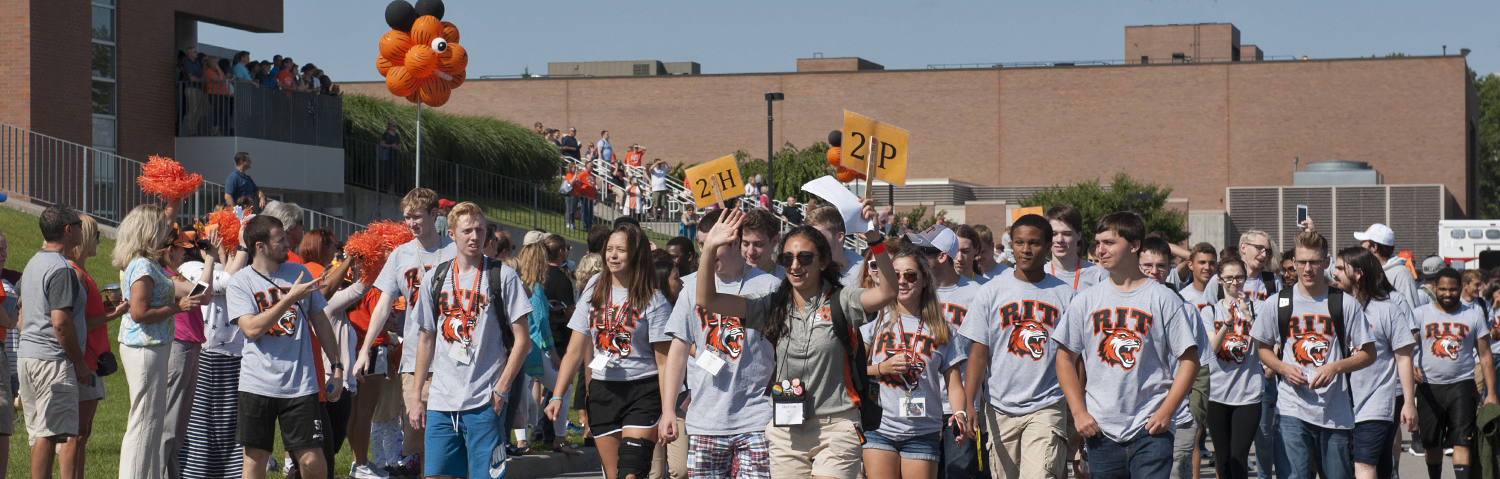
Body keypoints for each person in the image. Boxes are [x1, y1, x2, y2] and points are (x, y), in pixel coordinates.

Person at [691, 202, 897, 479]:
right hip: (787, 428)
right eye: (787, 259)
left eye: (805, 258)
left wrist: (874, 239)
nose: (795, 265)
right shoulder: (772, 304)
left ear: (823, 261)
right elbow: (707, 300)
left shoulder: (842, 300)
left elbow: (887, 291)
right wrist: (710, 248)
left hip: (836, 426)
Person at [1053, 212, 1202, 479]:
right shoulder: (1086, 300)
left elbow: (1190, 361)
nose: (1100, 250)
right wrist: (1078, 412)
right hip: (1101, 429)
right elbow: (1064, 358)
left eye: (1109, 242)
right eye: (1097, 243)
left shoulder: (1163, 298)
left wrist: (1167, 411)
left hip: (1151, 429)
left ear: (1134, 246)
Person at [406, 202, 533, 478]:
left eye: (480, 229)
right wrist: (417, 397)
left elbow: (523, 340)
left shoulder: (502, 276)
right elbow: (426, 339)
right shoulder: (435, 279)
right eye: (467, 231)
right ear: (451, 234)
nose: (475, 236)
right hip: (441, 402)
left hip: (485, 401)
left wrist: (501, 388)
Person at [658, 208, 784, 479]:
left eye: (715, 244)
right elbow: (678, 351)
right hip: (706, 419)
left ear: (735, 242)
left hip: (757, 417)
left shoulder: (771, 286)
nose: (706, 252)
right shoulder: (691, 287)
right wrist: (668, 409)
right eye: (703, 245)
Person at [545, 222, 673, 479]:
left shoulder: (654, 299)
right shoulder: (594, 287)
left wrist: (668, 409)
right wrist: (557, 395)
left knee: (632, 473)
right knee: (614, 475)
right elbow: (575, 349)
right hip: (603, 392)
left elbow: (665, 363)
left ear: (635, 254)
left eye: (621, 250)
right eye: (609, 249)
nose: (612, 255)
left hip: (643, 392)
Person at [226, 215, 348, 479]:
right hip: (256, 383)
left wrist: (337, 367)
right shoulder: (240, 282)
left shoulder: (299, 273)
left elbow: (322, 322)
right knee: (255, 460)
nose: (287, 246)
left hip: (300, 384)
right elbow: (252, 329)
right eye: (280, 240)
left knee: (312, 459)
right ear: (260, 246)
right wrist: (289, 298)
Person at [1250, 231, 1376, 479]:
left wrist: (1335, 368)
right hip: (1291, 409)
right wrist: (1282, 367)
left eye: (1314, 262)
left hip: (1334, 412)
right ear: (1294, 263)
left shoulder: (1344, 304)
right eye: (1302, 262)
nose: (1308, 269)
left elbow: (1369, 353)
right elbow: (1262, 347)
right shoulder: (1278, 302)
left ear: (1326, 262)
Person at [350, 188, 456, 474]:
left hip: (456, 358)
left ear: (434, 214)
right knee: (416, 439)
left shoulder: (456, 251)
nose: (411, 223)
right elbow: (383, 306)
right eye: (407, 217)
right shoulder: (400, 255)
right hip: (415, 360)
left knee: (453, 437)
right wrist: (363, 351)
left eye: (417, 216)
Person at [960, 214, 1074, 479]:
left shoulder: (1066, 296)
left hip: (1048, 404)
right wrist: (969, 404)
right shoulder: (990, 291)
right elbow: (977, 355)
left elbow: (1074, 358)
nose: (1025, 249)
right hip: (999, 407)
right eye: (1019, 242)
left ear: (1047, 247)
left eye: (1033, 243)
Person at [859, 247, 970, 479]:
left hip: (923, 432)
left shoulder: (943, 329)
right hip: (879, 427)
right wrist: (882, 369)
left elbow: (954, 384)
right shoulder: (876, 319)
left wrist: (960, 414)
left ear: (925, 280)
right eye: (896, 275)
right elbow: (851, 369)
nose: (902, 281)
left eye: (910, 275)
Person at [114, 203, 206, 479]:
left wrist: (176, 200)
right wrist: (178, 308)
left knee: (152, 422)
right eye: (160, 228)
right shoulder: (142, 265)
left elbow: (204, 291)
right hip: (144, 347)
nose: (166, 234)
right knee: (144, 422)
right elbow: (139, 313)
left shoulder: (149, 262)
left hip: (154, 346)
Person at [903, 225, 983, 479]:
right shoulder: (913, 292)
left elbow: (983, 356)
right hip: (918, 402)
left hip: (958, 404)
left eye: (923, 250)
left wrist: (972, 404)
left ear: (942, 256)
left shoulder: (977, 294)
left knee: (957, 473)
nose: (916, 255)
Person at [18, 205, 91, 479]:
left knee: (40, 432)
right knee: (49, 434)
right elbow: (60, 322)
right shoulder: (61, 269)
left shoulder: (34, 261)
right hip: (51, 361)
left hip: (29, 356)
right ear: (67, 230)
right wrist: (80, 365)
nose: (83, 229)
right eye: (79, 224)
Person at [1332, 246, 1418, 479]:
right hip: (1337, 406)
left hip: (1375, 404)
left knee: (1364, 464)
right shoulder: (1333, 307)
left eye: (1340, 268)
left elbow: (1404, 357)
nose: (1334, 273)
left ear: (1358, 273)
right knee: (1356, 467)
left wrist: (1409, 403)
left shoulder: (1387, 309)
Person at [179, 212, 251, 479]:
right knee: (203, 422)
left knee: (229, 422)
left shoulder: (219, 266)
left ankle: (229, 473)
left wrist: (230, 253)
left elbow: (232, 277)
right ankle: (197, 473)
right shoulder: (188, 270)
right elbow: (224, 284)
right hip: (208, 354)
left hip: (234, 354)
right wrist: (241, 248)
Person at [58, 213, 129, 479]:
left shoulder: (81, 273)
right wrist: (114, 314)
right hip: (85, 360)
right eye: (96, 236)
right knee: (76, 434)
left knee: (83, 432)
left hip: (93, 357)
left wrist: (107, 309)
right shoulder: (74, 274)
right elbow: (77, 323)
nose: (99, 241)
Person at [1413, 268, 1497, 479]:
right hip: (1429, 386)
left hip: (1463, 384)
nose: (1447, 294)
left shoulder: (1473, 316)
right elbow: (1406, 349)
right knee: (1432, 443)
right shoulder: (1420, 314)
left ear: (1460, 288)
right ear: (1435, 288)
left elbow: (1485, 355)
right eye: (1442, 289)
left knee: (1462, 439)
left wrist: (1492, 394)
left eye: (1452, 289)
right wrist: (1410, 366)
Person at [1139, 236, 1205, 479]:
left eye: (1161, 266)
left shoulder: (1186, 309)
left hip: (1179, 419)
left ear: (1170, 269)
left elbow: (1202, 367)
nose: (1153, 272)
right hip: (1134, 421)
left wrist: (1195, 413)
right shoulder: (1122, 309)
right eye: (1147, 265)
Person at [1198, 258, 1262, 479]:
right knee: (1223, 459)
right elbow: (1212, 350)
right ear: (1219, 280)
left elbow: (1266, 345)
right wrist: (1227, 323)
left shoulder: (1258, 307)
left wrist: (1247, 316)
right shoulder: (1209, 312)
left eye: (1239, 277)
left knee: (1239, 456)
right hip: (1217, 395)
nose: (1235, 283)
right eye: (1229, 278)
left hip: (1248, 395)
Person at [165, 228, 217, 479]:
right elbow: (203, 295)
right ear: (169, 250)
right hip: (179, 345)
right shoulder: (166, 275)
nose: (185, 255)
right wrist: (209, 260)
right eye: (182, 250)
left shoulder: (174, 273)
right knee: (171, 421)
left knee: (179, 426)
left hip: (190, 344)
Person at [1353, 223, 1425, 310]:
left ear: (1374, 247)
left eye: (1363, 242)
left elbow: (1411, 310)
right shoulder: (1367, 271)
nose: (1361, 245)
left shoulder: (1402, 274)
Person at [1044, 204, 1109, 291]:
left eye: (1066, 234)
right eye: (1054, 234)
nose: (1059, 240)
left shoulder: (1099, 276)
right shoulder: (1039, 274)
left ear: (1078, 235)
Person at [804, 205, 867, 289]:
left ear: (840, 237)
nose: (813, 242)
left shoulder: (864, 272)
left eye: (819, 236)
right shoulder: (803, 268)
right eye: (809, 237)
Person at [740, 208, 785, 280]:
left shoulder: (786, 280)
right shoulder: (730, 278)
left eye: (758, 244)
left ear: (774, 241)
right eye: (745, 244)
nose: (750, 252)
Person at [1177, 244, 1217, 310]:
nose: (1207, 267)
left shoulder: (1225, 295)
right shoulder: (1182, 298)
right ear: (1190, 265)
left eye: (1212, 263)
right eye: (1202, 262)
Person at [378, 121, 404, 194]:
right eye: (393, 126)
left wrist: (397, 147)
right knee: (389, 172)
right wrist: (391, 146)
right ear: (389, 126)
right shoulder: (386, 134)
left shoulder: (396, 135)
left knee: (395, 172)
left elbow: (399, 145)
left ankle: (392, 189)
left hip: (395, 155)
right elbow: (382, 144)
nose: (395, 127)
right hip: (388, 155)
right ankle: (388, 189)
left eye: (396, 126)